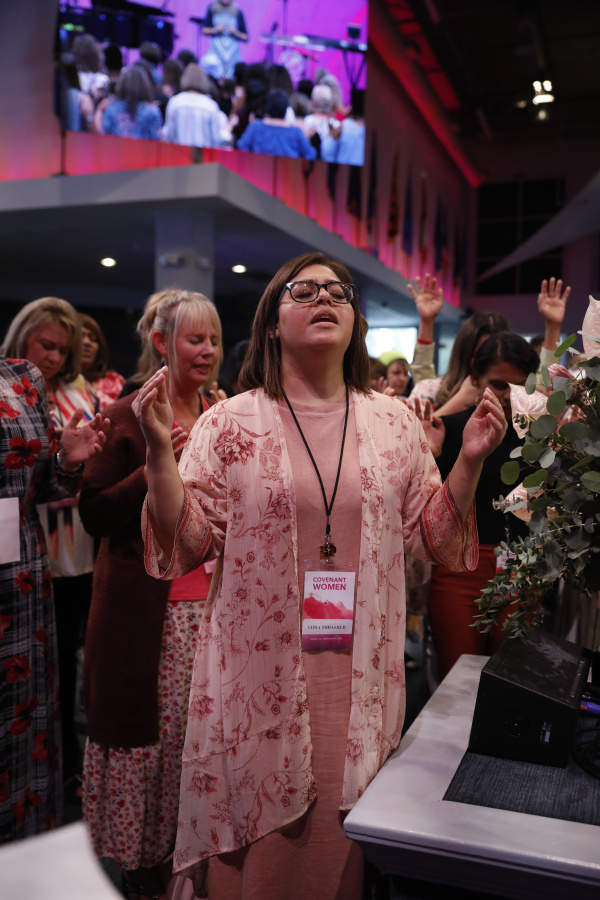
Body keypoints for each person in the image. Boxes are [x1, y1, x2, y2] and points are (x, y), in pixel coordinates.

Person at [134, 250, 507, 899]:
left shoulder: (393, 424)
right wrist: (159, 453)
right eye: (303, 291)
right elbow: (187, 546)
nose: (325, 298)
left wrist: (469, 462)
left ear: (356, 321)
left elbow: (435, 541)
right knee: (258, 856)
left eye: (338, 291)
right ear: (273, 323)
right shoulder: (230, 422)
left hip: (359, 679)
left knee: (343, 851)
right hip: (256, 679)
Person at [80, 290, 224, 900]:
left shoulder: (222, 412)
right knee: (155, 748)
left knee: (202, 744)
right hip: (147, 617)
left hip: (213, 610)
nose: (208, 351)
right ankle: (145, 875)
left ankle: (194, 871)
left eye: (214, 339)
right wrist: (156, 461)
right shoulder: (124, 414)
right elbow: (94, 513)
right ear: (163, 343)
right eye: (195, 339)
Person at [0, 353, 108, 844]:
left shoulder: (22, 378)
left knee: (22, 730)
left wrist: (66, 460)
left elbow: (42, 482)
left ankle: (24, 860)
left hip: (20, 583)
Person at [419, 331, 540, 680]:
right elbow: (428, 510)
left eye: (519, 386)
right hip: (459, 573)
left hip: (522, 569)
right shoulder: (447, 430)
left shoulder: (540, 436)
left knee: (512, 684)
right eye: (499, 384)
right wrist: (431, 457)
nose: (508, 395)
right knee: (459, 685)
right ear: (475, 378)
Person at [236, 89, 316, 160]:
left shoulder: (255, 126)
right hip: (288, 171)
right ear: (286, 109)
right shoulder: (296, 132)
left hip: (258, 170)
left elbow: (241, 147)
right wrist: (307, 139)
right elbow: (311, 155)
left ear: (267, 107)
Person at [163, 63, 225, 148]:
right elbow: (216, 140)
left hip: (178, 154)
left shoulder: (174, 103)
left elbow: (168, 136)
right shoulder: (211, 106)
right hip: (203, 155)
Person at [100, 66, 162, 141]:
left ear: (122, 85)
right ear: (144, 86)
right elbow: (157, 140)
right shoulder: (152, 111)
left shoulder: (111, 108)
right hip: (143, 148)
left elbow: (104, 136)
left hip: (117, 148)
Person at [78, 313, 125, 410]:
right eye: (80, 336)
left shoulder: (114, 383)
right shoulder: (53, 384)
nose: (87, 342)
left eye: (93, 338)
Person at [201, 0, 248, 80]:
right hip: (216, 49)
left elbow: (246, 37)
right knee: (215, 74)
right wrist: (215, 29)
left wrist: (235, 32)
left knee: (232, 76)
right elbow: (204, 30)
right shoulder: (212, 9)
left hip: (232, 52)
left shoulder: (237, 12)